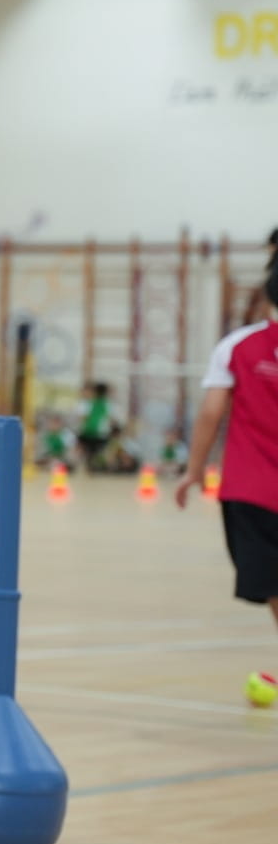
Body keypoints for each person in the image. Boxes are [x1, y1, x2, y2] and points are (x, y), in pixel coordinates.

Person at [175, 261, 278, 686]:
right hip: (253, 488)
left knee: (273, 583)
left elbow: (211, 412)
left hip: (253, 490)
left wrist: (193, 470)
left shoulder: (238, 346)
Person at [77, 381, 117, 471]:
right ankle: (109, 467)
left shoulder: (88, 403)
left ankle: (84, 467)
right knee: (103, 451)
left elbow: (83, 418)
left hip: (87, 432)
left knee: (86, 452)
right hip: (101, 433)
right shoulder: (107, 404)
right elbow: (111, 420)